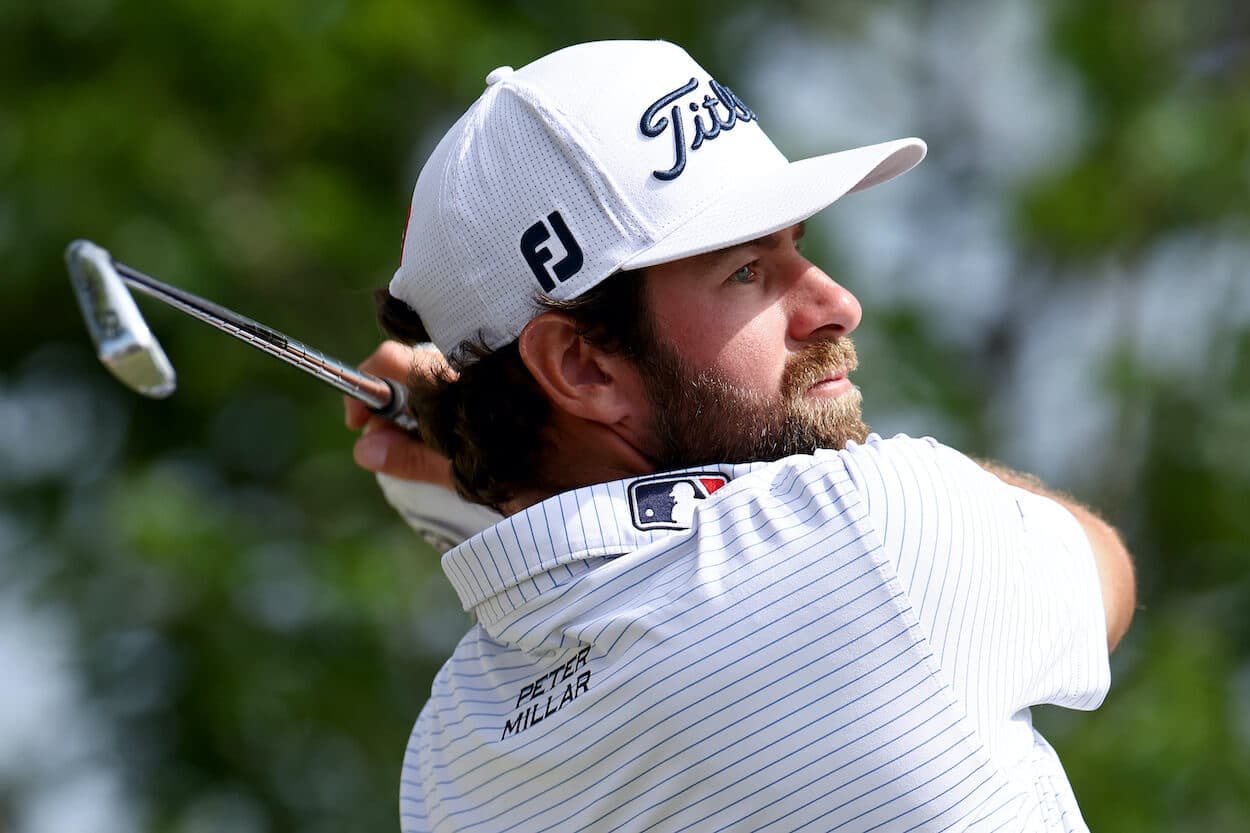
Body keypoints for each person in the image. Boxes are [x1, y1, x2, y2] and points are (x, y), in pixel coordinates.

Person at [344, 40, 1135, 833]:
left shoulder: (451, 759)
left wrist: (500, 466)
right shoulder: (875, 531)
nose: (836, 303)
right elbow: (1105, 564)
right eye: (746, 271)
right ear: (583, 366)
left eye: (796, 246)